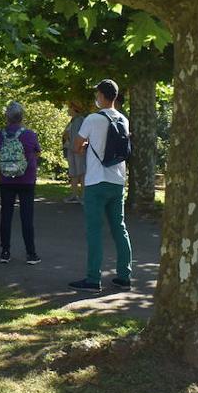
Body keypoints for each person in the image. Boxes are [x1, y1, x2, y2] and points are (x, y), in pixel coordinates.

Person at [69, 78, 133, 294]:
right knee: (119, 228)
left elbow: (77, 146)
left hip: (96, 181)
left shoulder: (92, 119)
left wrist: (85, 146)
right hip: (117, 180)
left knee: (94, 230)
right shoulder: (123, 119)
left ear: (103, 96)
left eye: (97, 94)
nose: (96, 97)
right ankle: (124, 276)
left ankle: (93, 279)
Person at [0, 100, 41, 265]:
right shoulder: (30, 135)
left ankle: (5, 252)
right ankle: (31, 253)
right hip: (27, 180)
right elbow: (37, 152)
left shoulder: (0, 135)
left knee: (6, 216)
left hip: (6, 179)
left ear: (7, 117)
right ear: (22, 117)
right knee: (26, 217)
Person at [63, 104, 88, 203]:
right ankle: (74, 195)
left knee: (82, 173)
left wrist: (80, 147)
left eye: (70, 107)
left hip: (78, 150)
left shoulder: (81, 120)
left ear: (75, 109)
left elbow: (84, 136)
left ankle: (84, 197)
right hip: (70, 149)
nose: (68, 109)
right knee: (73, 173)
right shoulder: (72, 120)